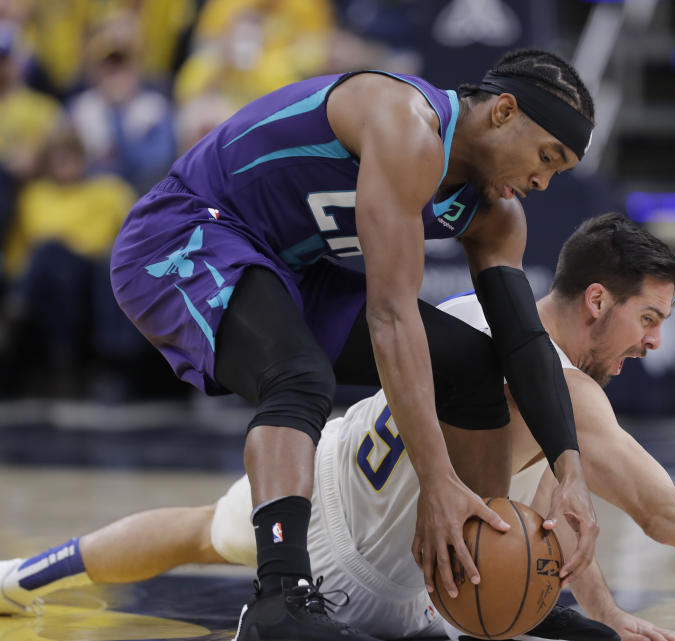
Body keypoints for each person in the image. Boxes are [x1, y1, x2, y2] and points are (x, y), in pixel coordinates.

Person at [1, 214, 675, 641]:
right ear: (598, 301)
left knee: (203, 528)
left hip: (330, 488)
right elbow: (658, 507)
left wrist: (606, 610)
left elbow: (549, 492)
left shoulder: (472, 307)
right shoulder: (571, 392)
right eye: (649, 320)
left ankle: (19, 572)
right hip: (386, 584)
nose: (654, 342)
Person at [107, 49, 599, 640]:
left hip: (295, 268)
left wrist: (569, 468)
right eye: (546, 157)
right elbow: (391, 316)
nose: (542, 182)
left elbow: (523, 342)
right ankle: (277, 602)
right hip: (183, 232)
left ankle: (479, 569)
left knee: (475, 367)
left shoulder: (496, 216)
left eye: (558, 172)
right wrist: (437, 481)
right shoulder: (404, 122)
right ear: (503, 111)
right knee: (296, 377)